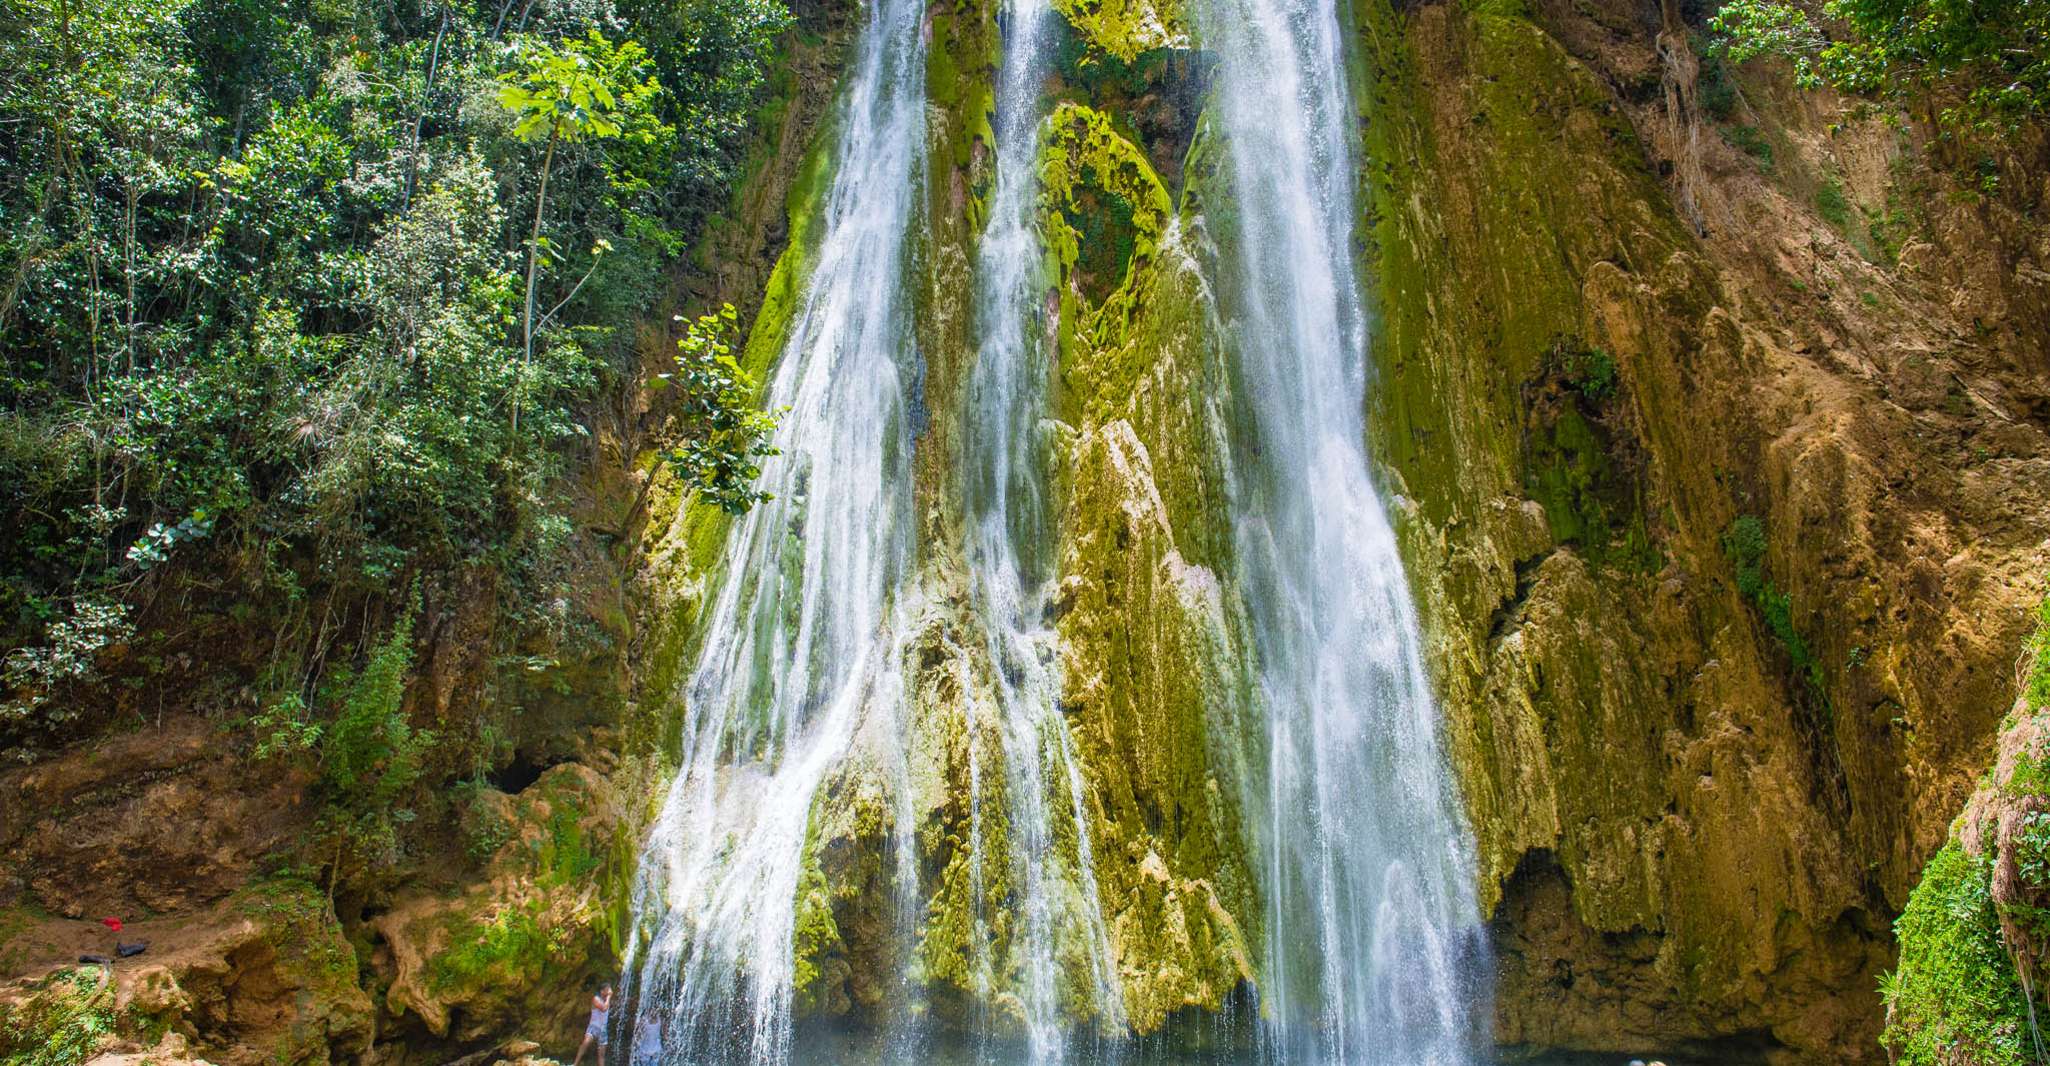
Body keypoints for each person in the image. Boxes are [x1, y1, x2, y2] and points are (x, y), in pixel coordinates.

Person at [571, 983, 612, 1066]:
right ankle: (575, 1064)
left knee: (601, 1054)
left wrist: (608, 998)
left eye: (609, 989)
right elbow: (604, 1008)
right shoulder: (596, 999)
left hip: (603, 1029)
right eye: (607, 990)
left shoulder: (606, 1001)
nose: (610, 991)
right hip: (593, 1027)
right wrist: (609, 997)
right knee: (586, 1043)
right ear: (602, 991)